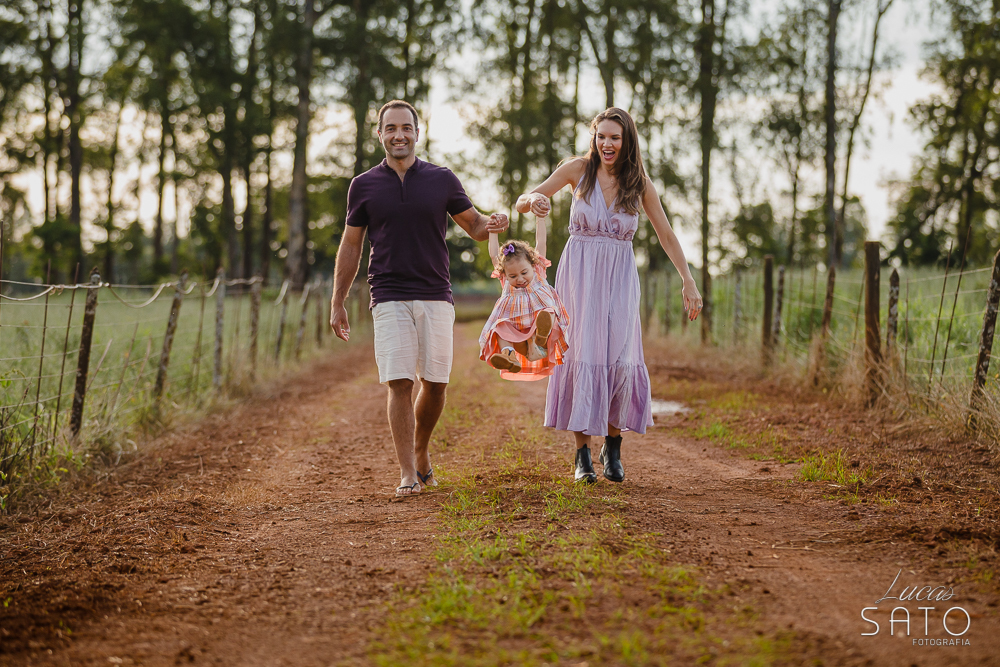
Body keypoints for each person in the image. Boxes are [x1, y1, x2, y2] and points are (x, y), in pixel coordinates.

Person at [330, 100, 509, 497]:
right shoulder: (363, 185)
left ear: (417, 133)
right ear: (379, 134)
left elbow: (475, 226)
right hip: (389, 293)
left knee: (436, 383)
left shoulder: (442, 179)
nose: (399, 135)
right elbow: (351, 244)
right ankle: (408, 472)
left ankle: (421, 450)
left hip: (435, 293)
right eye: (391, 128)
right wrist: (337, 299)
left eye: (406, 128)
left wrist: (494, 223)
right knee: (399, 382)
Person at [515, 107, 701, 484]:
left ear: (627, 140)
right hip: (579, 274)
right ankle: (582, 453)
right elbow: (525, 198)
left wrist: (688, 279)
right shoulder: (576, 170)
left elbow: (666, 234)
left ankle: (612, 447)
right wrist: (531, 202)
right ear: (593, 137)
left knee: (620, 356)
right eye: (601, 136)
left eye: (614, 137)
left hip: (619, 277)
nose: (607, 144)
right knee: (581, 352)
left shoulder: (640, 183)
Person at [478, 213, 569, 381]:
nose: (519, 279)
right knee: (500, 329)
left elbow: (541, 242)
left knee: (548, 310)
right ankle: (508, 355)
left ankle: (542, 334)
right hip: (519, 329)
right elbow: (493, 255)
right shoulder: (505, 278)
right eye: (512, 276)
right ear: (505, 274)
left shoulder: (538, 270)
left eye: (524, 273)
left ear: (533, 265)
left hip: (538, 323)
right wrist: (493, 231)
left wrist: (540, 218)